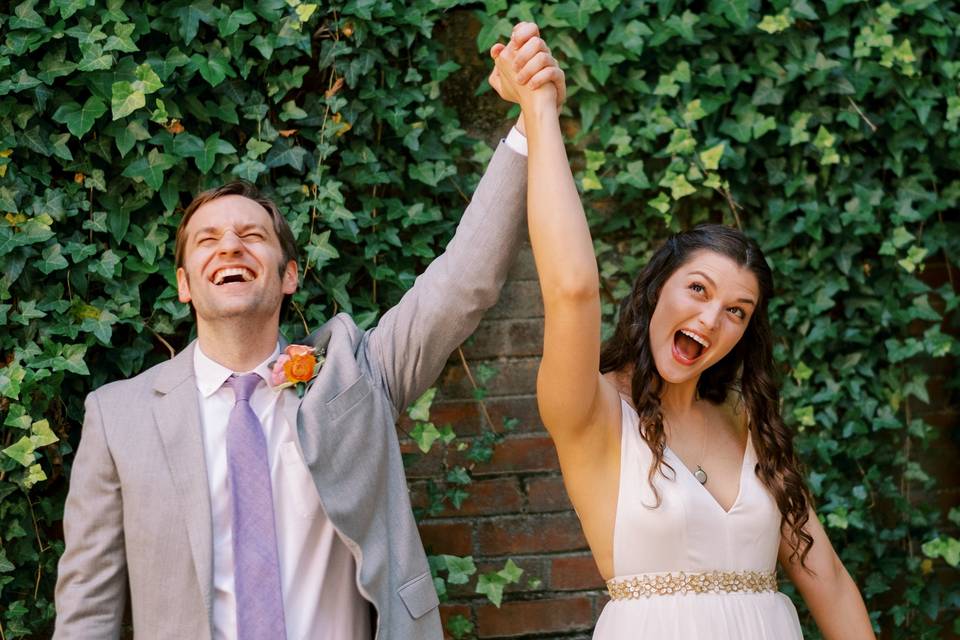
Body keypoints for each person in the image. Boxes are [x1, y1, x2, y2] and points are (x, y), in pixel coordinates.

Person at [52, 23, 564, 640]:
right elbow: (88, 611)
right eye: (207, 241)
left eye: (252, 235)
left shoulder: (357, 375)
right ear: (185, 283)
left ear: (288, 274)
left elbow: (464, 283)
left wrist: (530, 122)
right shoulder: (119, 416)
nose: (229, 247)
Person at [491, 24, 876, 639]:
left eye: (737, 311)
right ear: (655, 291)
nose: (710, 319)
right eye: (698, 289)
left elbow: (823, 575)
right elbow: (572, 289)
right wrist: (540, 108)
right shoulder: (590, 411)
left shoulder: (748, 423)